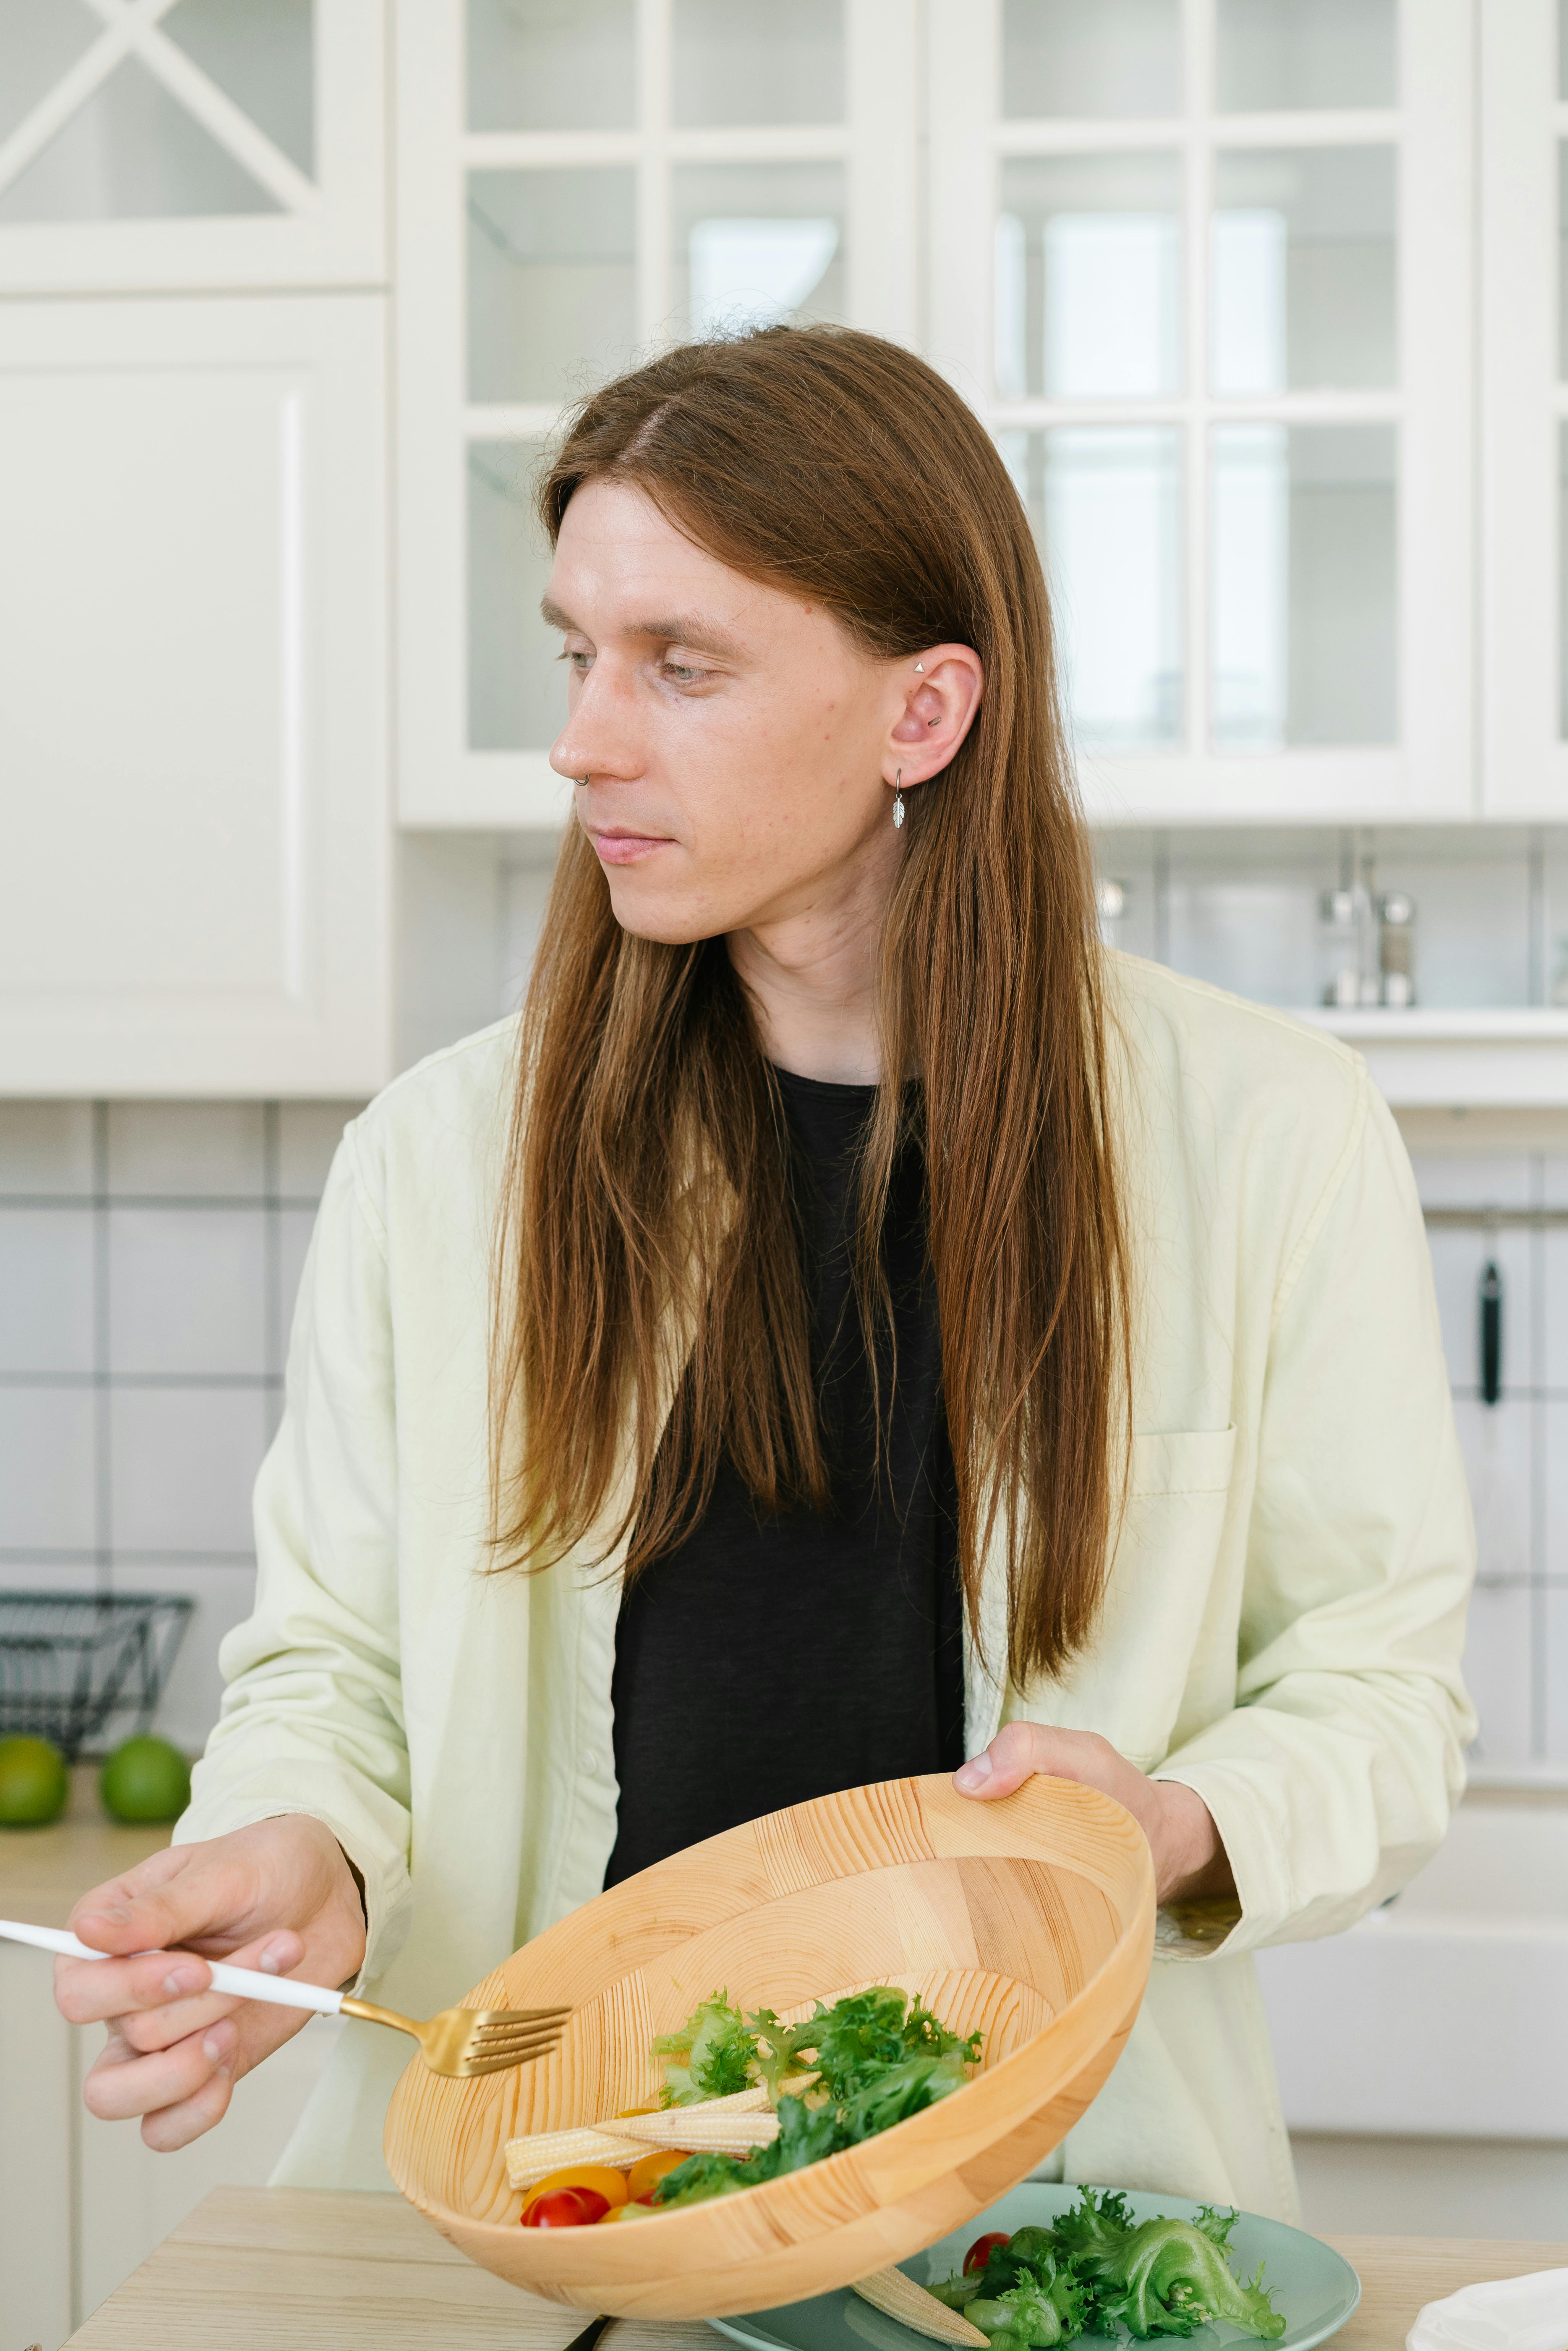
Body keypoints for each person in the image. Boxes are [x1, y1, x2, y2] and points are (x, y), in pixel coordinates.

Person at [53, 326, 1475, 2220]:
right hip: (540, 2211)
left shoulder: (1268, 1134)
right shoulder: (440, 1160)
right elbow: (331, 1660)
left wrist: (1176, 1819)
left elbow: (1377, 1688)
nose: (581, 737)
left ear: (922, 714)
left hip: (1033, 2231)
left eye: (681, 665)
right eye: (576, 652)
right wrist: (303, 1844)